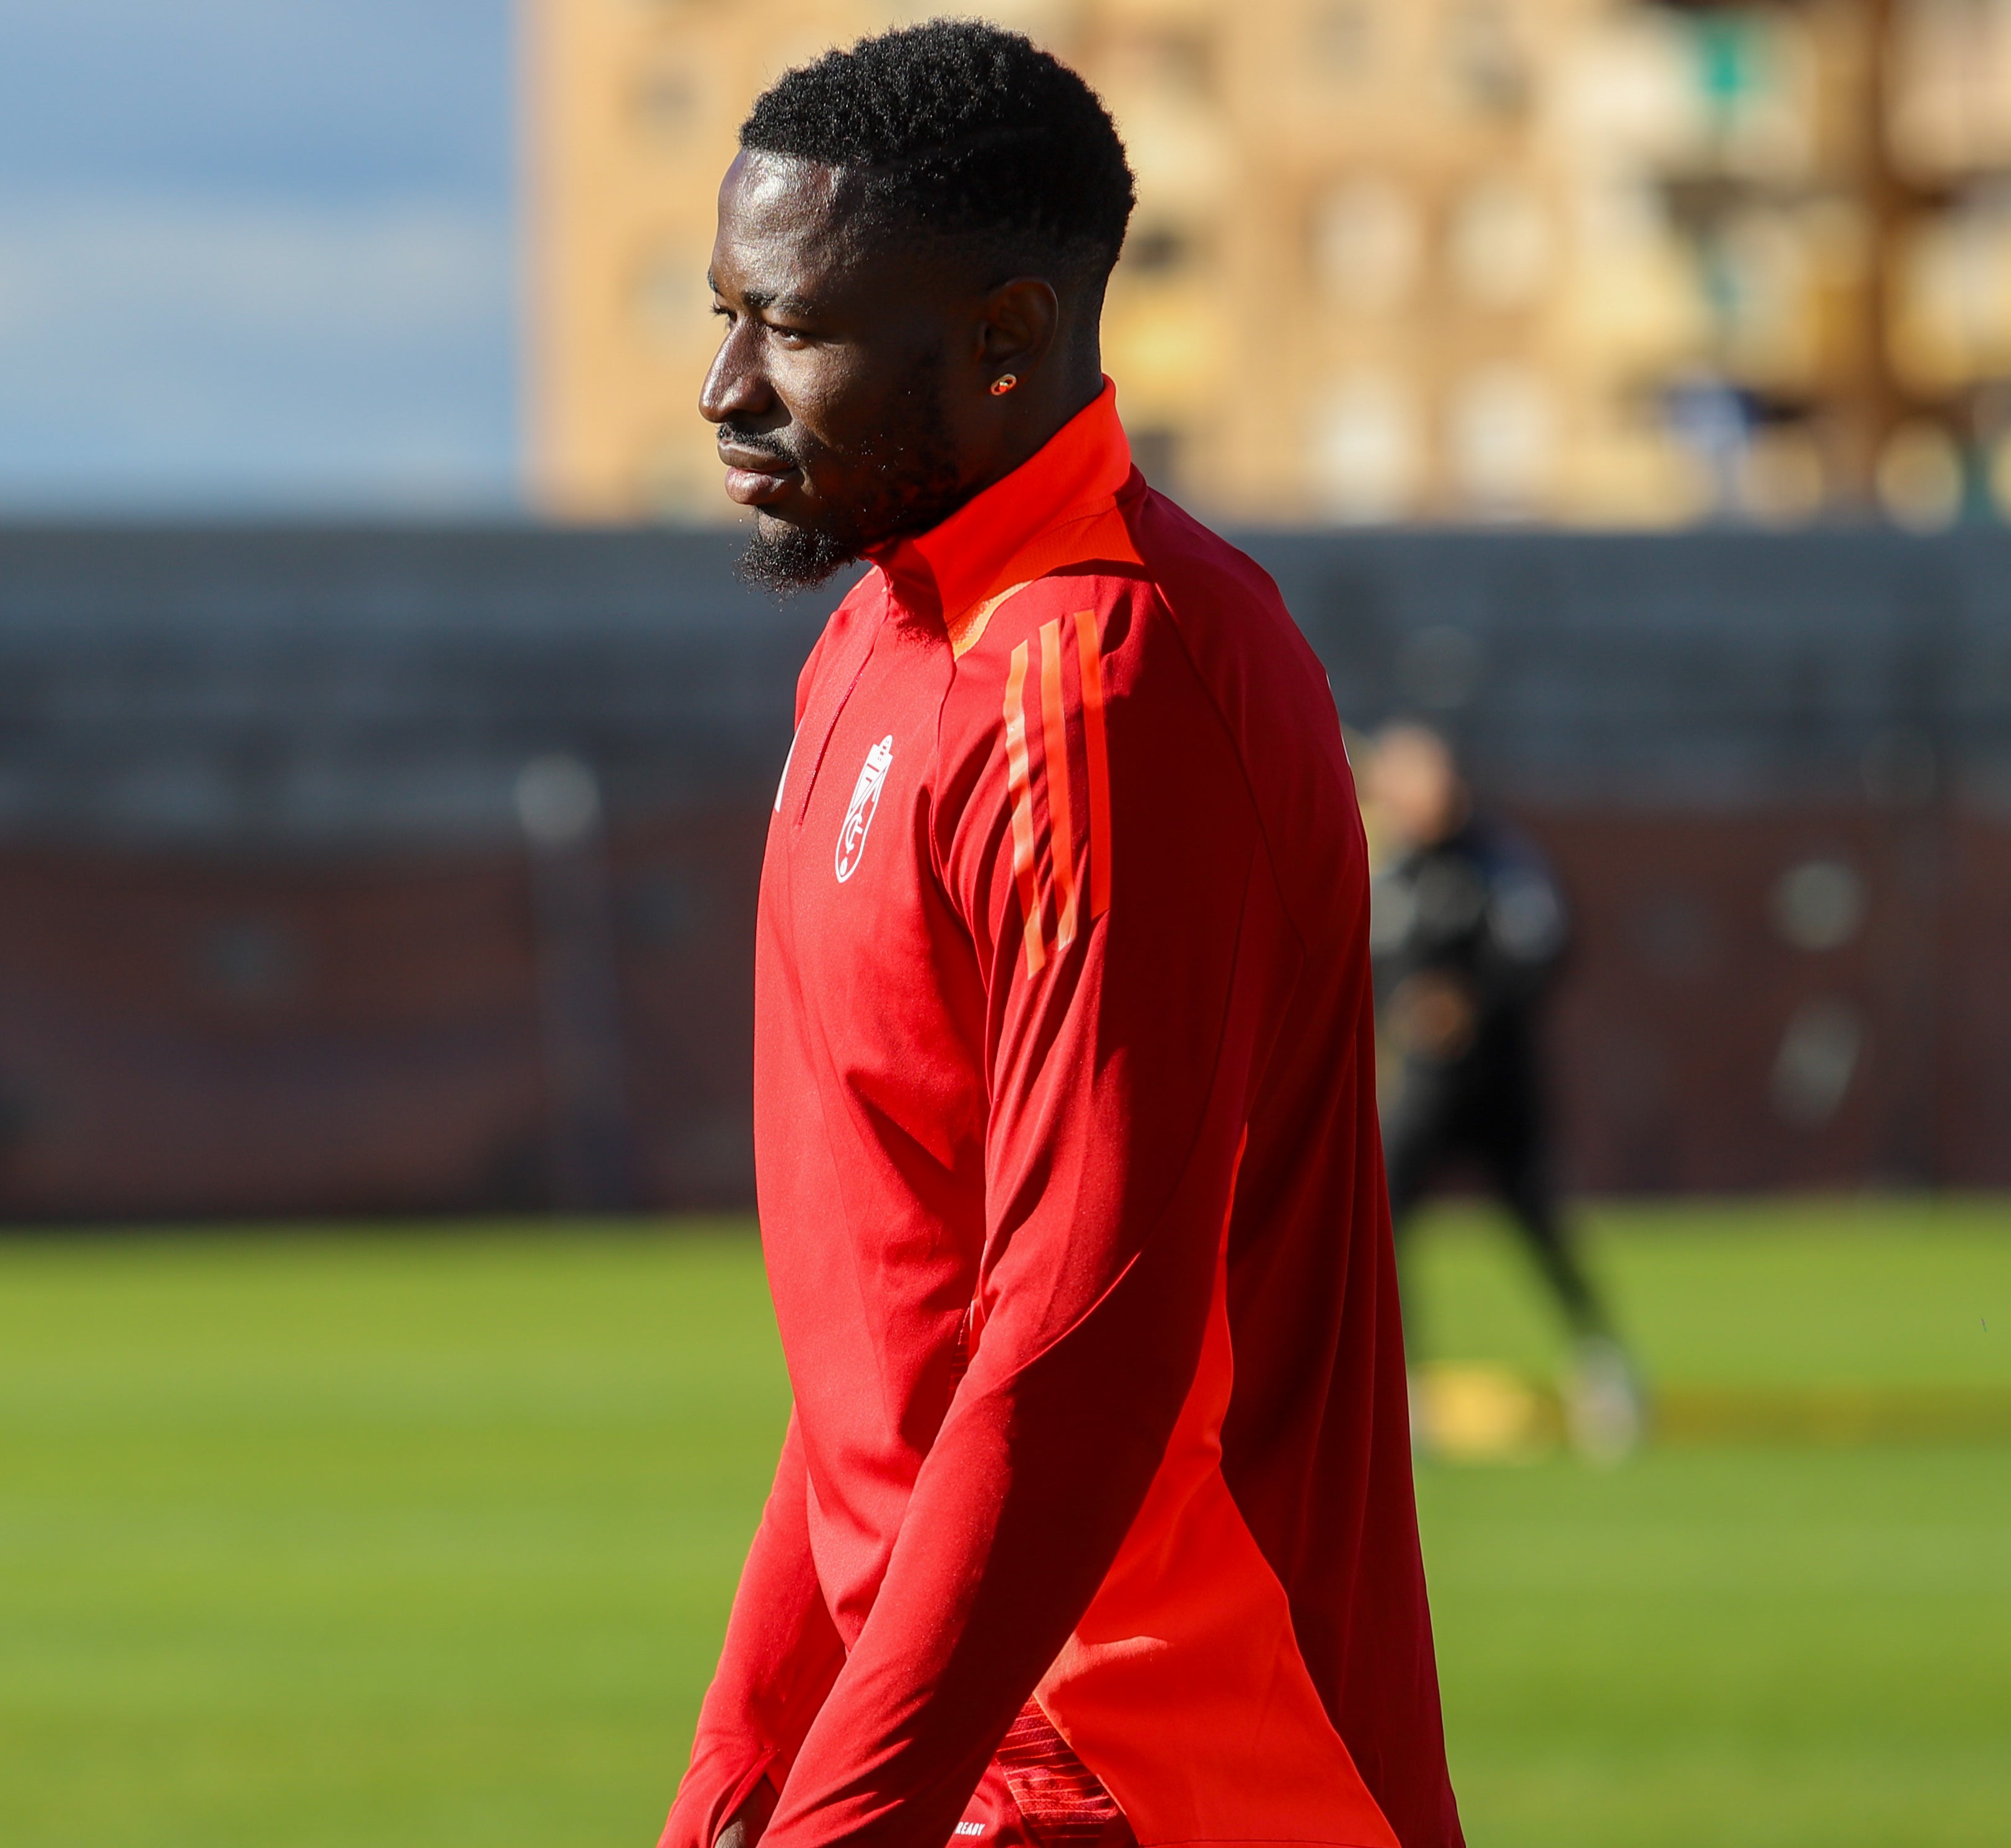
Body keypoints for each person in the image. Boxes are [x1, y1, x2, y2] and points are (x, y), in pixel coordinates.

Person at [663, 25, 1461, 1848]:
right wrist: (746, 1746)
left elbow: (1077, 1346)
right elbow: (890, 1323)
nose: (723, 385)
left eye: (790, 328)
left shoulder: (1105, 677)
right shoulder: (875, 648)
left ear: (1009, 338)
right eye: (721, 313)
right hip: (960, 1743)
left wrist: (842, 1813)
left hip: (1142, 1754)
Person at [1361, 720, 1641, 1463]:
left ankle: (1604, 1366)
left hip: (1500, 1085)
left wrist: (1472, 1004)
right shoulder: (1387, 873)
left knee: (1538, 1226)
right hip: (1421, 1093)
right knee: (1381, 1237)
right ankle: (1400, 1391)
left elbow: (1544, 945)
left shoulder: (1497, 861)